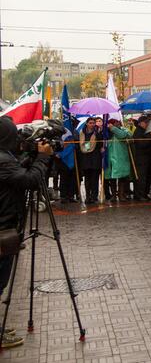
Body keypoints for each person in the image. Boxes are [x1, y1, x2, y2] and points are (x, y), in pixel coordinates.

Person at [0, 116, 54, 349]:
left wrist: (30, 158)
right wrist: (42, 158)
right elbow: (30, 180)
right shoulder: (2, 160)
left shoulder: (5, 158)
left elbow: (17, 174)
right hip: (4, 227)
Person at [104, 119, 131, 201]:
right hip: (109, 157)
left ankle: (121, 194)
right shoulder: (106, 133)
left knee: (121, 177)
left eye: (117, 123)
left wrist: (113, 128)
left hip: (120, 157)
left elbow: (123, 135)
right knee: (112, 178)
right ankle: (113, 195)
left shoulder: (123, 130)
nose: (117, 124)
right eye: (114, 123)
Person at [78, 118, 103, 204]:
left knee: (95, 179)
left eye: (93, 123)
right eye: (90, 123)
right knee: (87, 179)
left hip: (95, 158)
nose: (92, 124)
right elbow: (80, 145)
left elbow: (101, 143)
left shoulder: (97, 132)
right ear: (87, 123)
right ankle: (87, 196)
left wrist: (98, 132)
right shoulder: (82, 133)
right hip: (85, 158)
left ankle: (94, 196)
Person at [130, 115, 151, 201]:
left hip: (148, 158)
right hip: (141, 159)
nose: (147, 124)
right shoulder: (138, 132)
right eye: (146, 122)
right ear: (140, 123)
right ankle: (139, 194)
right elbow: (142, 144)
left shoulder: (146, 131)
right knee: (141, 178)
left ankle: (145, 193)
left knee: (147, 177)